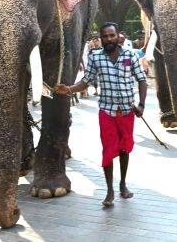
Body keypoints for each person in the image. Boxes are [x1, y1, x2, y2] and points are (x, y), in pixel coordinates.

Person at [54, 23, 147, 207]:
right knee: (108, 151)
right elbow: (86, 82)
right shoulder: (96, 57)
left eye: (112, 35)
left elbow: (142, 80)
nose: (109, 39)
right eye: (105, 36)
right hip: (107, 112)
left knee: (124, 149)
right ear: (102, 38)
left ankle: (122, 184)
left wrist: (142, 105)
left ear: (118, 36)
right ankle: (110, 190)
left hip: (127, 112)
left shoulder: (130, 55)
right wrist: (69, 89)